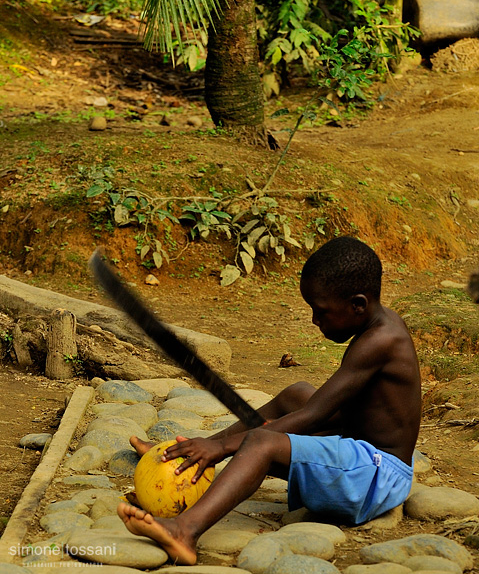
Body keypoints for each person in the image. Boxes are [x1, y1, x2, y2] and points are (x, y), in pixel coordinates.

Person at [118, 236, 421, 565]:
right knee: (296, 394)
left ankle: (185, 531)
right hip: (362, 456)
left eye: (321, 312)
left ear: (358, 305)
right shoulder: (377, 326)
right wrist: (225, 443)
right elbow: (329, 411)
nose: (314, 320)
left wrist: (227, 447)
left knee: (262, 442)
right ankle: (186, 456)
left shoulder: (381, 340)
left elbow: (316, 416)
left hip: (374, 478)